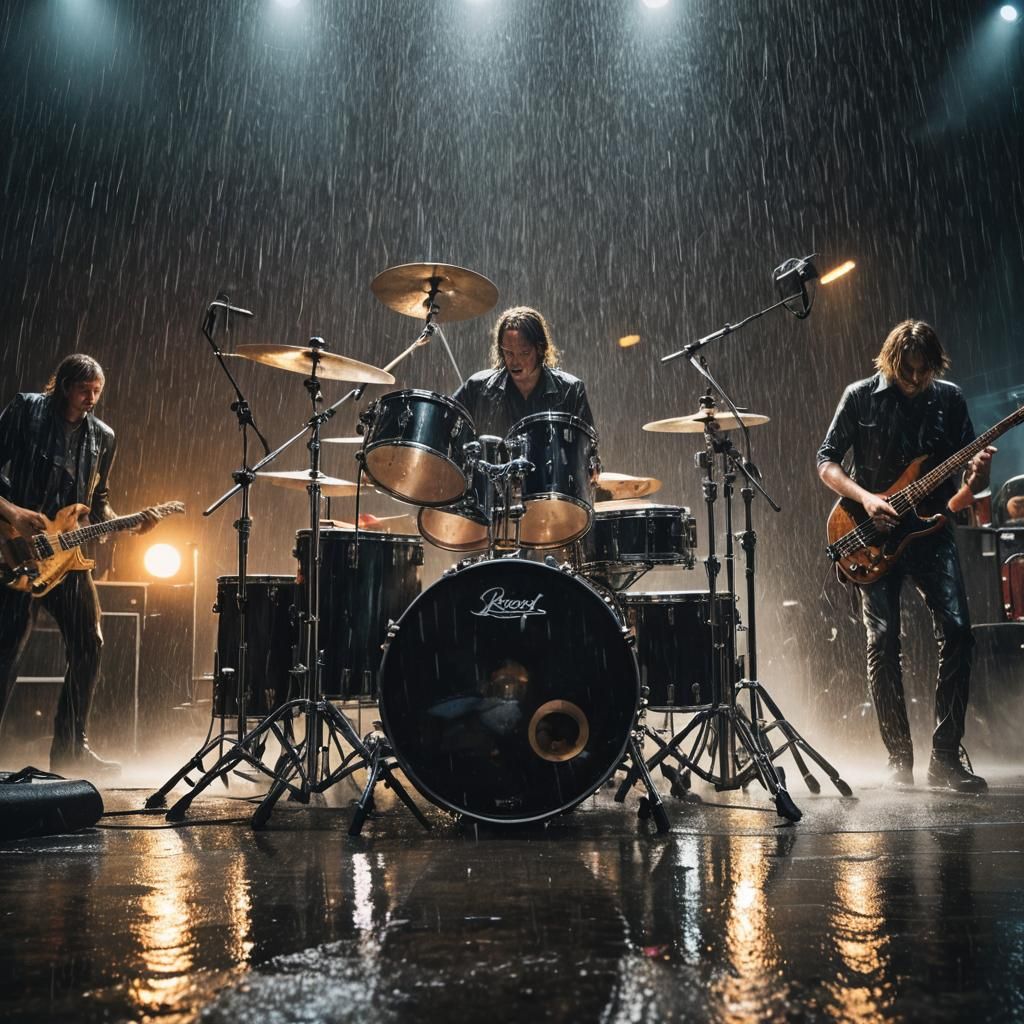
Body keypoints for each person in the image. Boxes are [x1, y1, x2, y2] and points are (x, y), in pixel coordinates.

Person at [817, 319, 995, 792]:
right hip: (870, 532)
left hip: (931, 531)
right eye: (907, 371)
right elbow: (826, 460)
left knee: (959, 633)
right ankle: (899, 759)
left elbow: (967, 485)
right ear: (891, 363)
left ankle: (945, 758)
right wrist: (866, 498)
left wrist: (977, 478)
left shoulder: (949, 400)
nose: (916, 379)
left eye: (924, 371)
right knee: (883, 641)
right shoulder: (860, 397)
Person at [0, 354, 157, 777]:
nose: (92, 398)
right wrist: (13, 513)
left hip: (67, 557)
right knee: (6, 649)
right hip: (15, 548)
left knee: (90, 642)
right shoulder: (27, 410)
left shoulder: (102, 437)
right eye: (85, 390)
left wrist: (128, 523)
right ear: (64, 385)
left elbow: (98, 503)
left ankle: (71, 749)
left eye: (97, 391)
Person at [452, 305, 595, 438]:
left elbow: (587, 448)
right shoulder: (477, 388)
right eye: (509, 353)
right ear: (501, 350)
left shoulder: (571, 390)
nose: (515, 362)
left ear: (540, 349)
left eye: (524, 353)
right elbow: (444, 423)